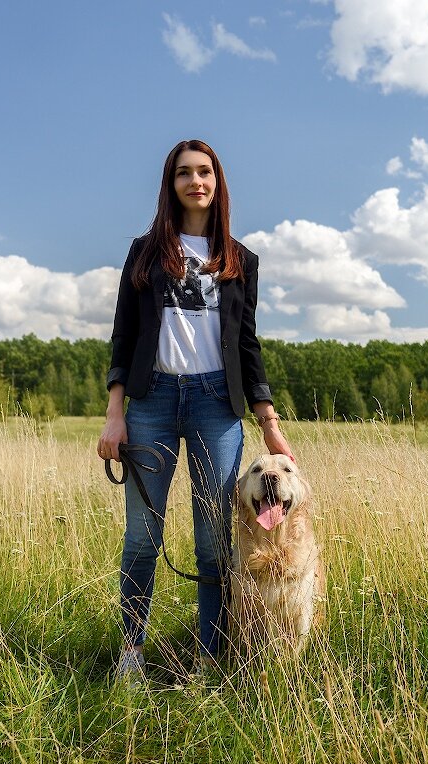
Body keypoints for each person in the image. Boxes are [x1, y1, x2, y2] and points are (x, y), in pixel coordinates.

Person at [96, 139, 294, 685]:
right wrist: (116, 413)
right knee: (142, 536)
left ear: (217, 181)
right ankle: (132, 655)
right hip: (152, 401)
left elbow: (247, 344)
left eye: (204, 172)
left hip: (216, 404)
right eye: (184, 173)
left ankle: (208, 659)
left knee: (213, 540)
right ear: (171, 183)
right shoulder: (145, 250)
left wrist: (269, 424)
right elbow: (124, 333)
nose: (195, 182)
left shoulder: (239, 259)